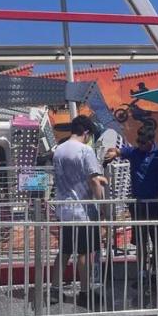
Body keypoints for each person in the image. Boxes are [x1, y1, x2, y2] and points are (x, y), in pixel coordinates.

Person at [105, 125, 158, 294]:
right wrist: (111, 153)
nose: (140, 144)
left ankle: (154, 274)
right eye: (138, 141)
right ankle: (142, 274)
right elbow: (119, 151)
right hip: (138, 206)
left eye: (143, 142)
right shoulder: (135, 152)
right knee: (140, 242)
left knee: (157, 242)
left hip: (156, 207)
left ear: (151, 141)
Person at [52, 115, 107, 305]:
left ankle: (55, 289)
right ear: (86, 132)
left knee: (64, 251)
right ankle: (84, 293)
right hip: (83, 210)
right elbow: (93, 180)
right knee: (85, 252)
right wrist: (102, 204)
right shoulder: (85, 150)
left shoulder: (59, 150)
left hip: (64, 209)